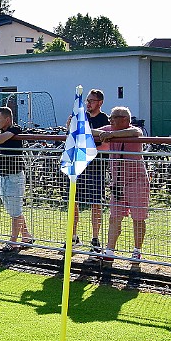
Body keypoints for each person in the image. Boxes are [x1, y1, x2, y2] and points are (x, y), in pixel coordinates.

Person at [88, 106, 149, 263]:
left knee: (138, 217)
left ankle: (137, 251)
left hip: (137, 180)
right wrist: (104, 134)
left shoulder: (134, 130)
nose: (111, 120)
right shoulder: (109, 129)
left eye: (114, 117)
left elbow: (136, 133)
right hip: (117, 183)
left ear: (125, 120)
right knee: (114, 217)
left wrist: (111, 135)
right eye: (111, 118)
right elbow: (91, 131)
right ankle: (110, 250)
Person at [0, 106, 34, 251]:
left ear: (7, 119)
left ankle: (13, 242)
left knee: (15, 210)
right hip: (4, 174)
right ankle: (26, 236)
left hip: (15, 175)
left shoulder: (15, 129)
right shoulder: (0, 128)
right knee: (12, 209)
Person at [67, 88, 109, 253]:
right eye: (87, 101)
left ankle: (95, 239)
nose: (88, 103)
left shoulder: (105, 120)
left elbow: (103, 144)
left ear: (100, 103)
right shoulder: (80, 117)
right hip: (78, 166)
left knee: (95, 203)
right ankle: (73, 236)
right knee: (73, 200)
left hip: (96, 166)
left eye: (91, 101)